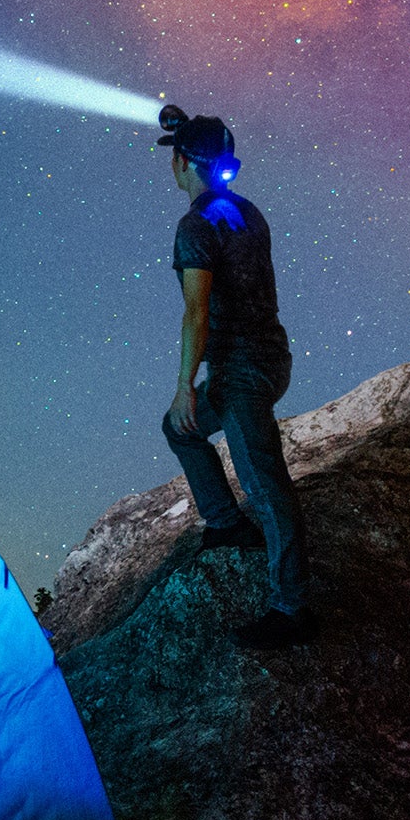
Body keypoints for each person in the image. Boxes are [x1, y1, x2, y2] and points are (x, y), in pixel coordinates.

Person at [156, 107, 316, 649]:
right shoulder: (248, 212)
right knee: (179, 429)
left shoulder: (194, 227)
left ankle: (292, 608)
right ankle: (225, 523)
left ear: (182, 163)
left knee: (266, 485)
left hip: (242, 371)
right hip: (271, 358)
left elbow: (196, 312)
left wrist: (185, 386)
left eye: (175, 157)